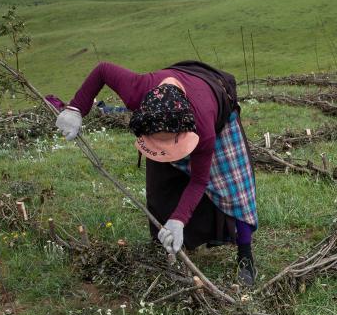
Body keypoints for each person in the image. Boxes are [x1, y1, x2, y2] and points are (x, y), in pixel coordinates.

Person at [53, 60, 258, 285]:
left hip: (215, 108)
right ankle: (168, 251)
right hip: (168, 118)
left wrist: (179, 220)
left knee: (236, 189)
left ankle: (245, 253)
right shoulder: (136, 91)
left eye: (172, 146)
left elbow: (200, 180)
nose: (171, 154)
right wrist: (76, 108)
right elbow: (102, 69)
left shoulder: (205, 126)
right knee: (160, 192)